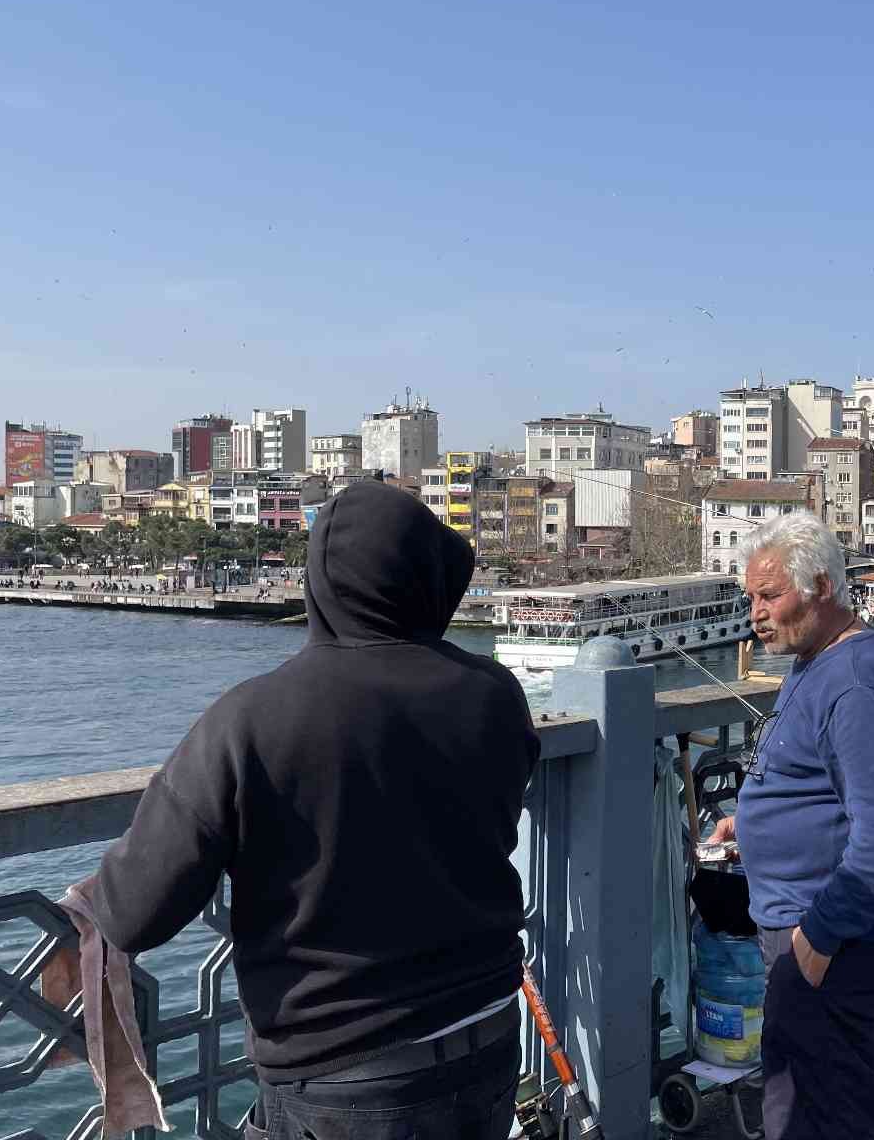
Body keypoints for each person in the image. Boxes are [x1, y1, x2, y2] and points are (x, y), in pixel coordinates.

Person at [83, 479, 541, 1139]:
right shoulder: (494, 694)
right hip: (488, 1035)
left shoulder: (253, 720)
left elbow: (132, 912)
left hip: (345, 1073)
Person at [710, 512, 874, 1140]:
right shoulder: (818, 661)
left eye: (770, 595)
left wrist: (818, 938)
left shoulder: (855, 685)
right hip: (811, 927)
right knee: (815, 1097)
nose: (756, 612)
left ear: (823, 587)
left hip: (829, 938)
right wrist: (748, 825)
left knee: (819, 1112)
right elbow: (821, 791)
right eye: (751, 597)